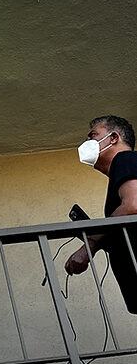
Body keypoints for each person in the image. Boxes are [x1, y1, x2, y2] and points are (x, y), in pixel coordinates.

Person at [65, 115, 137, 314]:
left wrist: (90, 244)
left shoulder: (125, 159)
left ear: (113, 138)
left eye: (93, 135)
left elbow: (133, 205)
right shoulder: (122, 170)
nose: (86, 142)